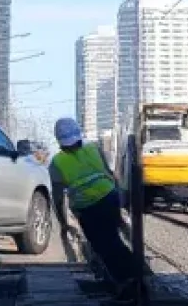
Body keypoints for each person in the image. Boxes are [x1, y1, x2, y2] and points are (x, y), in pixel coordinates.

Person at [49, 118, 139, 294]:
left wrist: (63, 222)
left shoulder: (57, 163)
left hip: (88, 209)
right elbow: (110, 174)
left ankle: (128, 281)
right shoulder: (93, 148)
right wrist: (121, 200)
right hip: (110, 199)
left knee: (104, 246)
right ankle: (133, 275)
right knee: (112, 240)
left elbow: (58, 198)